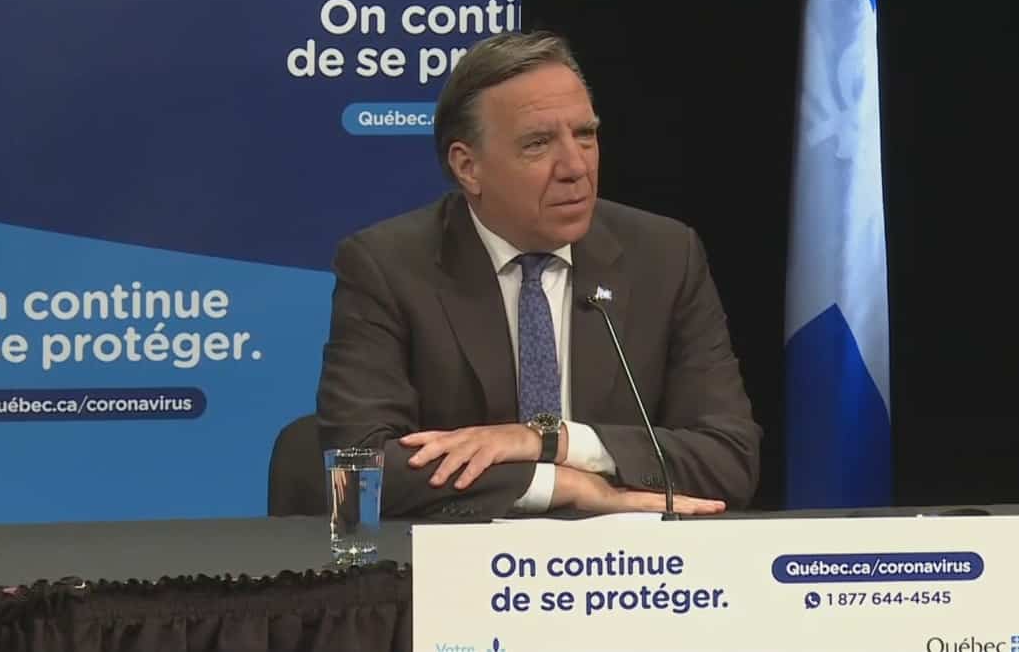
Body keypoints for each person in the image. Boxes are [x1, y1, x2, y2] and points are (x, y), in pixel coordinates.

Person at [315, 29, 762, 520]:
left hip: (628, 561)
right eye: (538, 143)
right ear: (468, 167)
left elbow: (730, 458)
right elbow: (357, 468)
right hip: (461, 560)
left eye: (585, 135)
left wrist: (553, 441)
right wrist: (558, 484)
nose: (575, 167)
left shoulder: (664, 257)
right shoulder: (388, 266)